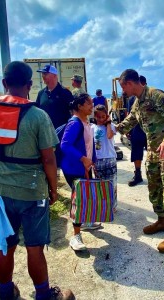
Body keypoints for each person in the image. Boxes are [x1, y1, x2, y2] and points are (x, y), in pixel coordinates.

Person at [0, 61, 74, 300]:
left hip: (0, 192)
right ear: (30, 85)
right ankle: (43, 295)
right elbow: (49, 159)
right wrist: (53, 189)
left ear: (4, 83)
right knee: (34, 246)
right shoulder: (37, 116)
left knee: (5, 244)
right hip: (33, 192)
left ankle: (6, 291)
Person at [116, 69, 164, 253]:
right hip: (154, 152)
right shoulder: (138, 102)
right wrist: (113, 129)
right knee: (154, 188)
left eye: (123, 86)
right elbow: (131, 120)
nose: (122, 90)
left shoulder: (157, 96)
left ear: (129, 83)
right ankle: (163, 221)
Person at [60, 93, 97, 250]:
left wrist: (92, 160)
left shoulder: (85, 122)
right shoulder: (75, 123)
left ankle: (87, 222)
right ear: (80, 106)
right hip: (74, 168)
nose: (92, 106)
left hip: (85, 167)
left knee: (86, 196)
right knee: (79, 200)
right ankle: (75, 237)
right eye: (89, 103)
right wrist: (82, 158)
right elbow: (65, 145)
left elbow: (89, 144)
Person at [92, 104, 117, 210]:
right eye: (99, 117)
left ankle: (112, 206)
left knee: (112, 184)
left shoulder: (111, 127)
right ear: (95, 116)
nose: (101, 119)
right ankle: (103, 206)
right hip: (97, 160)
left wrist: (108, 123)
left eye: (103, 116)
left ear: (107, 116)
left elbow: (109, 136)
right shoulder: (91, 128)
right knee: (99, 185)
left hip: (110, 158)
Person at [126, 76, 147, 187]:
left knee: (155, 155)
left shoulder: (152, 96)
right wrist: (128, 129)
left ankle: (158, 177)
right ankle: (137, 175)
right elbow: (129, 115)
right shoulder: (131, 99)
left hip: (151, 133)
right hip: (137, 130)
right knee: (136, 153)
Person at [36, 64, 73, 129]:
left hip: (61, 134)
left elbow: (73, 113)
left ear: (54, 75)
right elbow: (37, 113)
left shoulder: (65, 93)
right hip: (45, 133)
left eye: (45, 74)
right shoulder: (41, 93)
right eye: (42, 74)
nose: (43, 76)